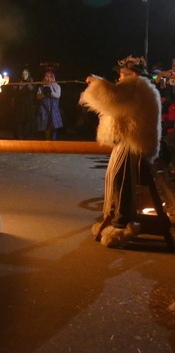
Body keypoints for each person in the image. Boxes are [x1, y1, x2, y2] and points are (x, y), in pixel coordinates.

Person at [80, 55, 162, 247]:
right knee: (115, 178)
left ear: (131, 74)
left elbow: (113, 97)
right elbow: (116, 95)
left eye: (122, 75)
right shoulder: (138, 86)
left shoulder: (136, 86)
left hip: (133, 143)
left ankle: (121, 222)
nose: (119, 78)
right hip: (129, 142)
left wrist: (97, 84)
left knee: (121, 180)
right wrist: (100, 83)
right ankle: (115, 217)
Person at [36, 70, 62, 140]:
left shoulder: (57, 86)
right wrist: (44, 94)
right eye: (47, 76)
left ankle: (54, 140)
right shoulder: (41, 86)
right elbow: (38, 96)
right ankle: (47, 139)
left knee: (54, 125)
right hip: (45, 108)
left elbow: (58, 95)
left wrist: (50, 92)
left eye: (50, 77)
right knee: (46, 125)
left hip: (54, 109)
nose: (48, 78)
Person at [11, 68, 36, 140]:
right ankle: (16, 136)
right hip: (19, 104)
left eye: (26, 74)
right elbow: (14, 91)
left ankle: (25, 136)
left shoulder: (31, 81)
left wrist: (28, 84)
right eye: (23, 74)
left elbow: (32, 90)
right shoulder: (19, 82)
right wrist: (19, 86)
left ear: (28, 74)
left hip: (28, 104)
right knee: (18, 120)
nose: (24, 75)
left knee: (27, 120)